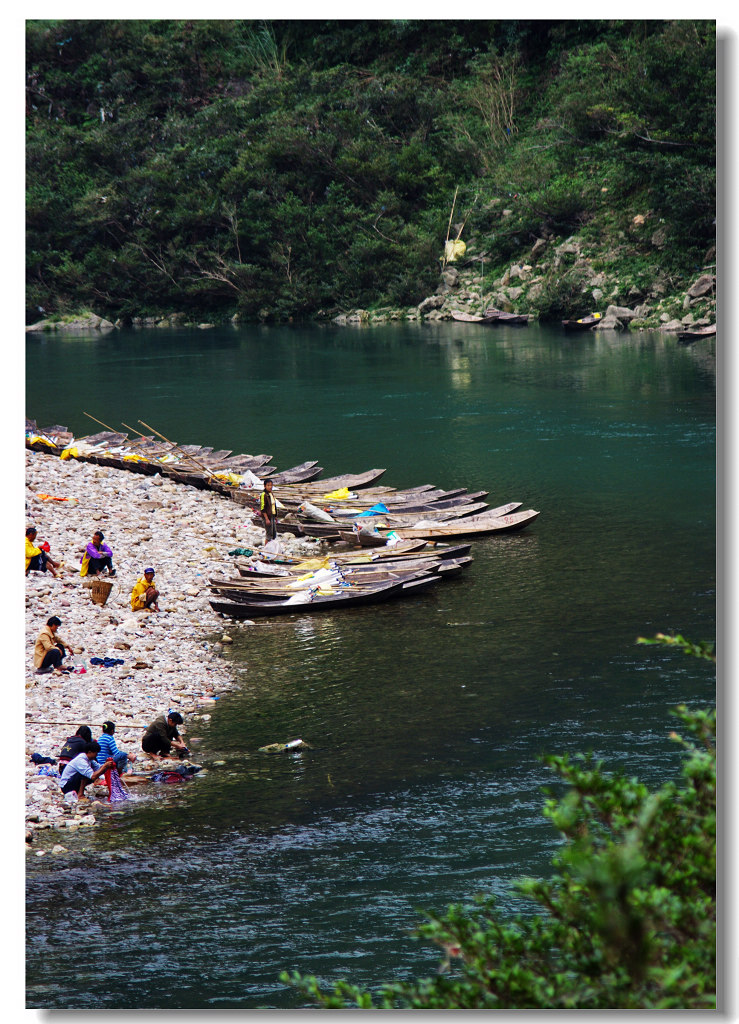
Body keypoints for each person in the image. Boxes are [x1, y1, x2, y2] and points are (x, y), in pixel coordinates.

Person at [260, 479, 278, 543]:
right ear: (264, 486)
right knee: (269, 534)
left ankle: (271, 548)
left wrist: (275, 516)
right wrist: (266, 519)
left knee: (273, 533)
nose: (270, 487)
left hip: (272, 516)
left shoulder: (271, 494)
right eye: (268, 485)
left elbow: (273, 506)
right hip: (267, 516)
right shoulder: (263, 494)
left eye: (271, 485)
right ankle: (266, 549)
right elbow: (263, 508)